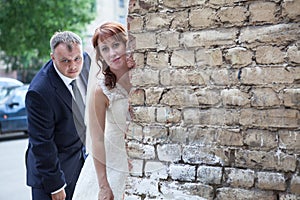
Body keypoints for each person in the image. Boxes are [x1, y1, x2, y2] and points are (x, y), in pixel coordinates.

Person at [72, 22, 135, 200]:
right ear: (100, 55)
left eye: (116, 45)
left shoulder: (144, 77)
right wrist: (103, 185)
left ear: (126, 44)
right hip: (112, 165)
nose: (112, 53)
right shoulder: (101, 91)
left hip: (141, 160)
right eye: (105, 49)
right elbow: (97, 139)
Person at [25, 31, 91, 200]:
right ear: (53, 57)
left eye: (77, 59)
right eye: (65, 61)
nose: (73, 66)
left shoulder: (85, 61)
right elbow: (42, 143)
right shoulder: (39, 92)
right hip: (50, 176)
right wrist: (56, 186)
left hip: (80, 164)